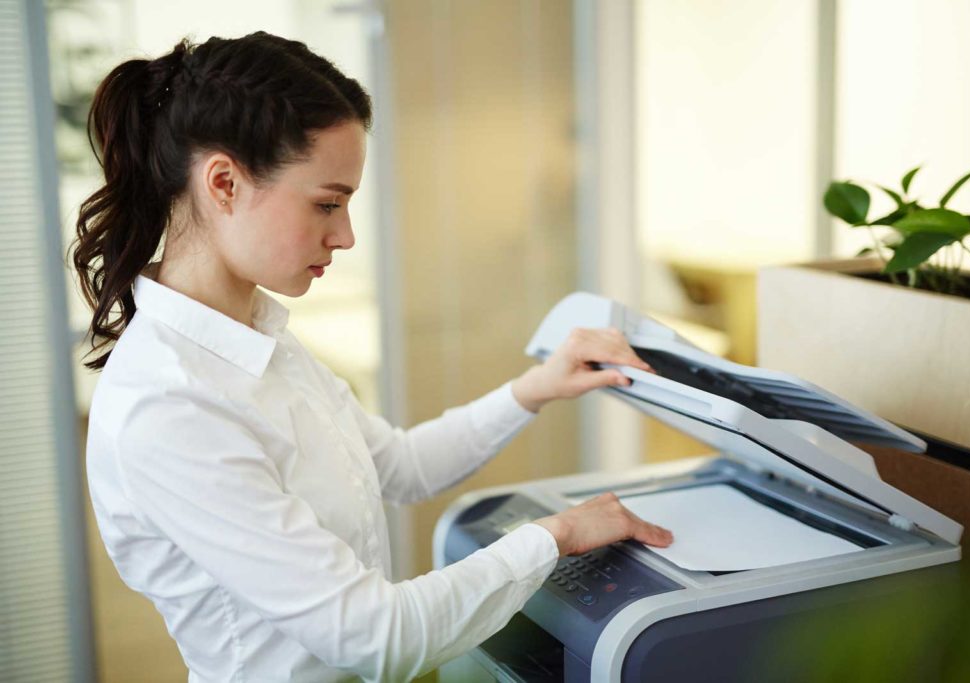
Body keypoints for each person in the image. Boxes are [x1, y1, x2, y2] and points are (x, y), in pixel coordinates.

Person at [74, 32, 674, 683]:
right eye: (327, 203)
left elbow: (397, 465)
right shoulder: (169, 406)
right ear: (224, 182)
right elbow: (375, 635)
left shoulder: (256, 336)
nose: (346, 235)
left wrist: (538, 386)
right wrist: (555, 535)